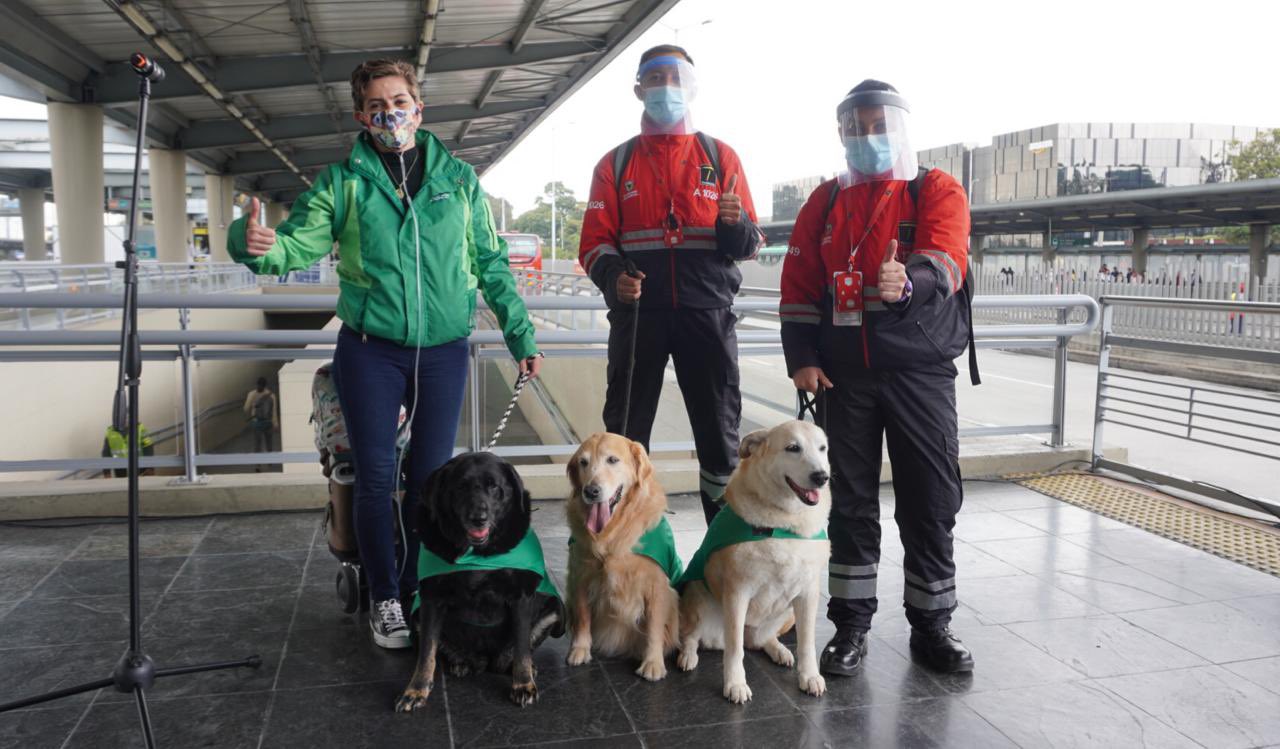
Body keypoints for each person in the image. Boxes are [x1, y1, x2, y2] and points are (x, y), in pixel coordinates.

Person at [226, 58, 543, 650]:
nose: (389, 114)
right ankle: (387, 599)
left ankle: (416, 585)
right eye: (377, 106)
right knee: (373, 480)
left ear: (419, 109)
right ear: (360, 116)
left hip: (444, 351)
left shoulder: (459, 181)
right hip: (371, 353)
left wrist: (521, 336)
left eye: (399, 102)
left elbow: (492, 264)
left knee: (429, 480)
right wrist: (253, 248)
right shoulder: (344, 182)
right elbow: (297, 244)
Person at [779, 80, 975, 676]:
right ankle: (851, 627)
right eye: (854, 128)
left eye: (877, 124)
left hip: (920, 374)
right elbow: (800, 285)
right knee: (849, 504)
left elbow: (948, 256)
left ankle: (934, 625)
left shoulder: (935, 189)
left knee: (930, 500)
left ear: (901, 126)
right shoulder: (826, 202)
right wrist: (802, 356)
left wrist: (910, 282)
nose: (867, 137)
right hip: (844, 378)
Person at [577, 45, 762, 523]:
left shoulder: (720, 156)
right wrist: (615, 276)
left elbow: (749, 242)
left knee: (719, 436)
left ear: (692, 88)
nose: (665, 87)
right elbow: (594, 243)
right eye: (655, 78)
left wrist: (732, 224)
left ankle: (724, 550)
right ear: (638, 89)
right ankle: (620, 548)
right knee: (621, 437)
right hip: (639, 318)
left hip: (707, 315)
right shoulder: (615, 164)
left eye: (675, 78)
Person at [243, 377, 278, 466]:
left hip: (257, 422)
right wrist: (275, 423)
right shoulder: (271, 395)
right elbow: (274, 411)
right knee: (269, 443)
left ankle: (258, 463)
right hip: (268, 422)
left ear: (256, 384)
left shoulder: (252, 394)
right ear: (265, 386)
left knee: (257, 444)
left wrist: (252, 402)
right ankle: (270, 462)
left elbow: (246, 408)